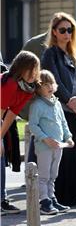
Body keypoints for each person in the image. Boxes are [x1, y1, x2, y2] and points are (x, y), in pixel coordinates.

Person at [40, 12, 76, 207]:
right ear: (54, 32)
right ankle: (61, 196)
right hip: (60, 109)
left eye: (70, 30)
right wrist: (69, 100)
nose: (66, 33)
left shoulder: (75, 53)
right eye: (62, 30)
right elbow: (53, 80)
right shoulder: (50, 53)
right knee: (64, 153)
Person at [28, 70, 74, 215]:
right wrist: (45, 139)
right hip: (44, 147)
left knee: (53, 174)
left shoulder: (57, 104)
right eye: (45, 84)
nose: (49, 87)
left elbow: (63, 122)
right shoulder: (37, 105)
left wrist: (68, 137)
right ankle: (44, 201)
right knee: (44, 175)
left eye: (51, 83)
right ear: (38, 87)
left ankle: (51, 198)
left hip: (58, 145)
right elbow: (33, 125)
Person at [1, 51, 41, 215]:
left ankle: (1, 201)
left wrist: (1, 136)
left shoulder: (28, 89)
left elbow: (11, 114)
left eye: (36, 69)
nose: (34, 73)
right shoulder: (10, 83)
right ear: (20, 68)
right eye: (30, 69)